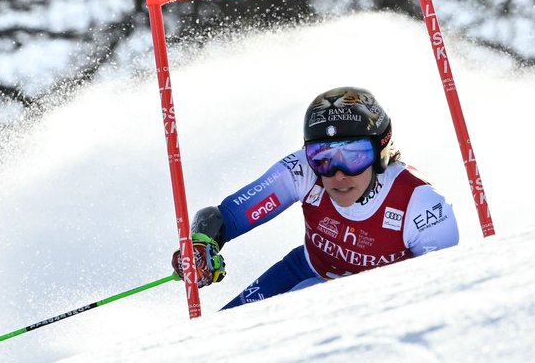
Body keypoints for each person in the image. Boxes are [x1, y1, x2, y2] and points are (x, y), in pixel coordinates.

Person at [172, 86, 459, 309]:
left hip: (381, 301)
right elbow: (227, 216)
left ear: (381, 153)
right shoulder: (302, 171)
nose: (337, 174)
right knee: (218, 336)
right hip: (304, 269)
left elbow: (444, 289)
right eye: (322, 157)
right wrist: (201, 246)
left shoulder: (420, 205)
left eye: (354, 155)